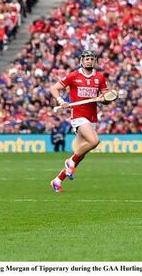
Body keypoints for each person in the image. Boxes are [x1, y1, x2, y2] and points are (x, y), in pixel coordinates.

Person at [49, 49, 114, 193]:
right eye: (87, 58)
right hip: (78, 116)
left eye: (91, 58)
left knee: (80, 155)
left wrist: (104, 100)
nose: (89, 61)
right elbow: (54, 88)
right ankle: (69, 162)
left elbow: (106, 98)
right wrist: (61, 100)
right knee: (94, 141)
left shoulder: (99, 77)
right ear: (81, 61)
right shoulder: (74, 76)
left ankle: (57, 180)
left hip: (92, 118)